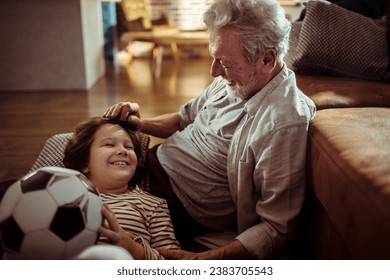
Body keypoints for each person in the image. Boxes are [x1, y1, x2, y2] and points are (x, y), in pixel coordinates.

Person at [103, 0, 316, 259]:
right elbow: (183, 119)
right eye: (214, 58)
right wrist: (138, 123)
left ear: (267, 59)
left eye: (224, 62)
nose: (214, 71)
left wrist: (201, 260)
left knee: (95, 230)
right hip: (148, 162)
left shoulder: (284, 122)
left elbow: (278, 228)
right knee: (64, 145)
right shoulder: (234, 79)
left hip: (167, 202)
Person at [63, 117, 180, 260]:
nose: (122, 151)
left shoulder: (153, 205)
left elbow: (173, 263)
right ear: (83, 163)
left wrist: (133, 249)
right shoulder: (64, 195)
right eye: (109, 144)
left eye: (129, 147)